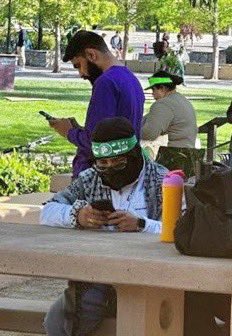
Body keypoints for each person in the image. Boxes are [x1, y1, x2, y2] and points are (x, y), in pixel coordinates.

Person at [40, 117, 168, 336]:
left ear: (134, 155)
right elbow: (47, 211)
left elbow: (178, 230)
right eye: (103, 164)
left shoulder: (161, 180)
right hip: (98, 275)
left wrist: (140, 224)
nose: (110, 170)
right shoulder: (91, 179)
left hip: (150, 276)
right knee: (57, 320)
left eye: (118, 164)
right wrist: (78, 215)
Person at [49, 30, 144, 178]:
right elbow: (111, 133)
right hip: (123, 171)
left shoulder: (105, 82)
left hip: (100, 178)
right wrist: (79, 129)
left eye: (78, 65)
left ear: (92, 55)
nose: (81, 74)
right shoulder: (130, 78)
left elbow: (96, 144)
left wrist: (68, 131)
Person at [141, 70, 197, 148]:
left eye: (153, 90)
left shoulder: (163, 104)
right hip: (188, 153)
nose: (153, 94)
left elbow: (149, 134)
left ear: (162, 88)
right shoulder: (181, 100)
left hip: (172, 154)